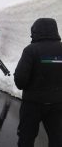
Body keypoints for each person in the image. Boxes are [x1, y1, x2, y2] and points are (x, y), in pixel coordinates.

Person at [14, 18, 62, 147]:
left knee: (26, 138)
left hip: (32, 103)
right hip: (57, 103)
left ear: (35, 31)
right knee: (57, 138)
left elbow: (20, 81)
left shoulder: (31, 50)